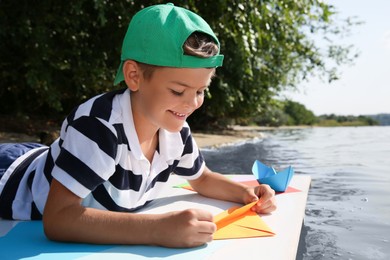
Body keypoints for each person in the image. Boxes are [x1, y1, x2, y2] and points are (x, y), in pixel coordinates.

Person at [0, 3, 276, 248]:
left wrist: (245, 193)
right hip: (10, 176)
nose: (192, 103)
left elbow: (202, 178)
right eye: (178, 91)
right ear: (134, 76)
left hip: (47, 155)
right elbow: (58, 219)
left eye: (201, 91)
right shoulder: (98, 128)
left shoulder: (176, 130)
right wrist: (156, 229)